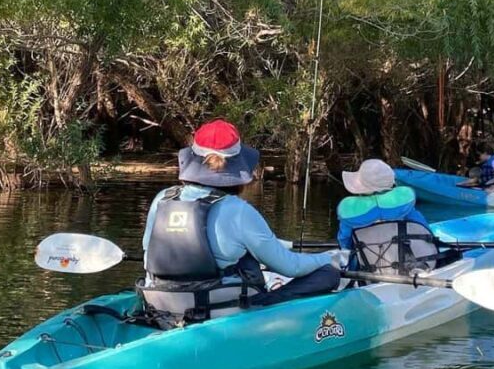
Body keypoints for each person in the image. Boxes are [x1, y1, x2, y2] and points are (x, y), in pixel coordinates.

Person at [140, 119, 340, 322]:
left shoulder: (163, 198)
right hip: (217, 308)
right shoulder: (239, 211)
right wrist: (329, 258)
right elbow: (291, 267)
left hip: (161, 304)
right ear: (237, 165)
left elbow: (149, 252)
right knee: (328, 274)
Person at [337, 159, 447, 275]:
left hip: (369, 271)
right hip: (404, 268)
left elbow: (345, 244)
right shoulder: (405, 208)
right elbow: (425, 233)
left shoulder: (350, 214)